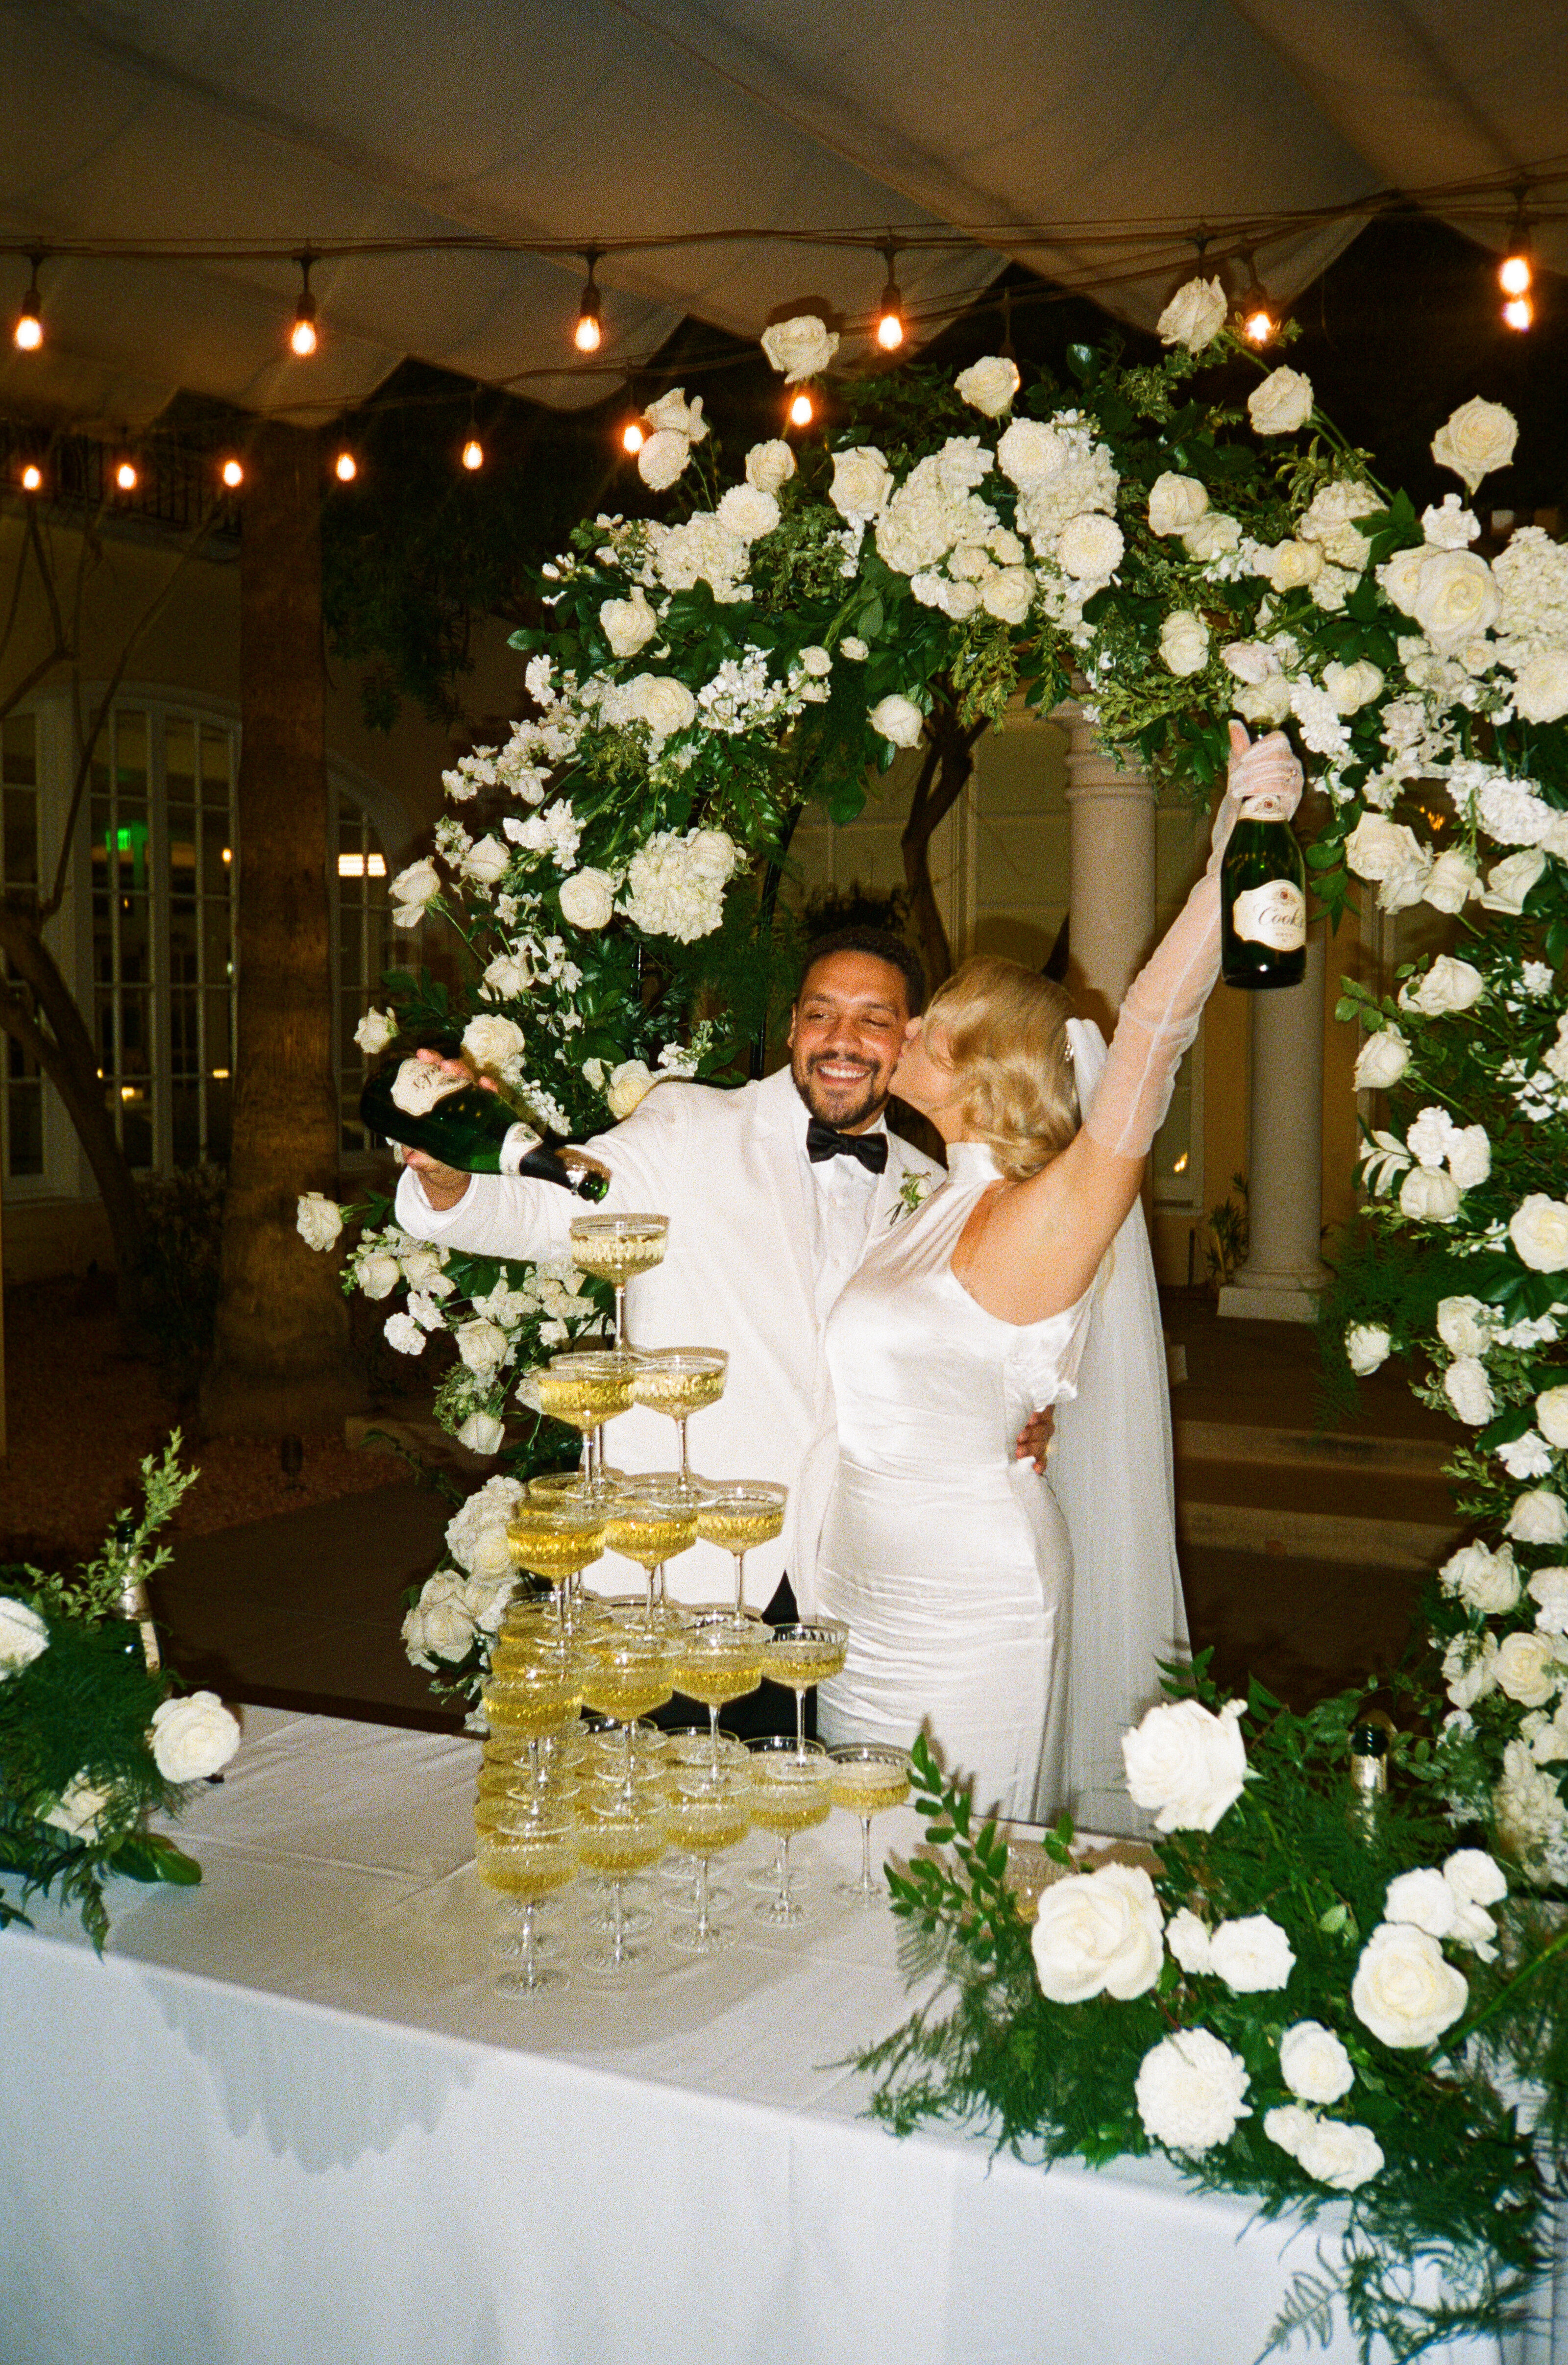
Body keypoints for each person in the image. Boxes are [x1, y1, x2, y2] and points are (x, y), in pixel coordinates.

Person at [814, 723, 1303, 1832]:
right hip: (858, 1587)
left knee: (957, 1869)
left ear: (983, 1062)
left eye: (929, 1025)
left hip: (970, 1601)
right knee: (853, 1857)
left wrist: (1233, 847)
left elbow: (1150, 1030)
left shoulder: (1052, 1212)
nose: (901, 1038)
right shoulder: (926, 1199)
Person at [394, 929, 1054, 1657]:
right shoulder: (690, 1126)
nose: (843, 1040)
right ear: (794, 1022)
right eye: (821, 1014)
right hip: (669, 1580)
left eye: (874, 1019)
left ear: (911, 1040)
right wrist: (449, 1178)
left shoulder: (934, 1191)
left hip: (841, 1595)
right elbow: (550, 1213)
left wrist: (1017, 1418)